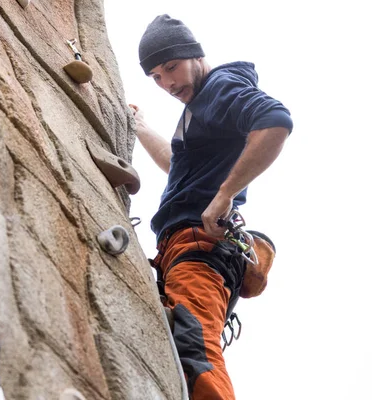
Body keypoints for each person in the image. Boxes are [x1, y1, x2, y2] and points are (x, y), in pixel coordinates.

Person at [130, 15, 293, 400]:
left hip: (199, 248)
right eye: (155, 76)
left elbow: (274, 121)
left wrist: (224, 195)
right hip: (183, 251)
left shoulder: (219, 87)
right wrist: (139, 127)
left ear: (195, 54)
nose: (167, 83)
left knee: (194, 350)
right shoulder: (199, 110)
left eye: (171, 67)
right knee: (182, 348)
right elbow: (178, 168)